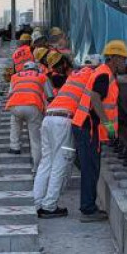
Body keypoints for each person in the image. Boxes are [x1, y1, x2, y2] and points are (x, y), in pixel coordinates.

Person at [32, 61, 100, 218]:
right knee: (61, 162)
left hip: (48, 119)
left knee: (46, 162)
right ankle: (49, 206)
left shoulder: (74, 76)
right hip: (64, 122)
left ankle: (36, 202)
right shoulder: (93, 75)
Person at [73, 40, 126, 222]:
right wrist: (108, 125)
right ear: (114, 58)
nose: (125, 62)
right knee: (90, 169)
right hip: (88, 128)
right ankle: (88, 210)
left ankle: (89, 206)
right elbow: (95, 99)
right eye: (123, 59)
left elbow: (125, 80)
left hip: (85, 127)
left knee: (90, 167)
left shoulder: (107, 73)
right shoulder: (104, 75)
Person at [6, 59, 50, 166]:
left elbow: (10, 94)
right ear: (36, 69)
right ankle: (37, 164)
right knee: (35, 137)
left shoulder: (15, 76)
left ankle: (14, 146)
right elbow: (50, 95)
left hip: (15, 105)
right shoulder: (42, 76)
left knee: (15, 120)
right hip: (33, 106)